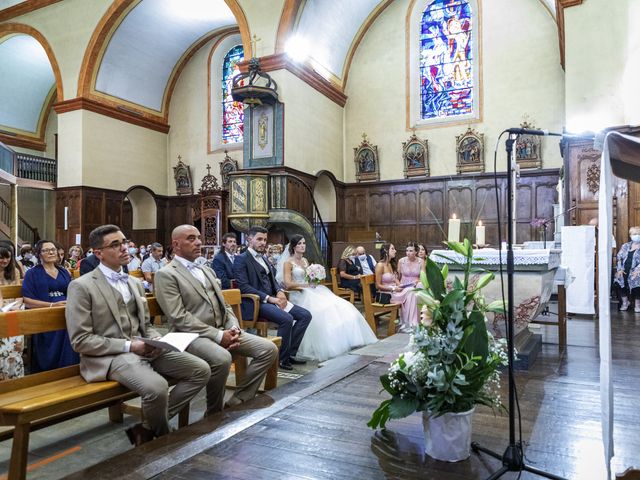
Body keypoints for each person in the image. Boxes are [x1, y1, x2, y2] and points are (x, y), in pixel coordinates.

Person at [66, 224, 210, 445]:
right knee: (157, 387)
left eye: (124, 242)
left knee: (200, 370)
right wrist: (130, 346)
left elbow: (144, 325)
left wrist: (158, 340)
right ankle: (164, 442)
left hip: (145, 348)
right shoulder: (81, 286)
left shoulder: (133, 282)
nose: (124, 248)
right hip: (111, 356)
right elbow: (81, 341)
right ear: (98, 253)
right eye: (115, 245)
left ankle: (146, 429)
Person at [155, 225, 278, 412]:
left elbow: (225, 305)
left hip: (223, 328)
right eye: (190, 238)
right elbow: (179, 317)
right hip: (191, 336)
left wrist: (234, 327)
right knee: (221, 358)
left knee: (268, 349)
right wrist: (219, 336)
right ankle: (214, 411)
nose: (198, 242)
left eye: (198, 237)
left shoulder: (206, 270)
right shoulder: (166, 274)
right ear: (176, 244)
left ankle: (237, 401)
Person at [277, 235, 376, 362]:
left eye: (304, 243)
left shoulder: (305, 261)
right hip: (299, 293)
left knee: (342, 305)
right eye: (300, 243)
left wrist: (316, 277)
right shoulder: (288, 263)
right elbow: (288, 284)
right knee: (324, 309)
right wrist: (306, 285)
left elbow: (310, 278)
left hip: (312, 289)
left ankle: (347, 340)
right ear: (294, 246)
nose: (303, 245)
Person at [233, 226, 312, 371]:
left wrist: (280, 292)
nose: (263, 242)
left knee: (305, 315)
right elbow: (244, 287)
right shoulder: (241, 259)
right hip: (256, 302)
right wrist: (269, 298)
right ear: (249, 239)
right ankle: (281, 359)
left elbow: (273, 280)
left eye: (264, 239)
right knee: (287, 318)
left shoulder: (264, 258)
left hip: (274, 299)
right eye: (259, 239)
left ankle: (290, 354)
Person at [22, 240, 79, 372]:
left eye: (53, 249)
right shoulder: (32, 273)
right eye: (46, 250)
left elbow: (72, 293)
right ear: (39, 254)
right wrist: (52, 305)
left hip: (66, 314)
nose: (51, 252)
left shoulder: (64, 272)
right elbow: (28, 300)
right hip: (44, 315)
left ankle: (68, 372)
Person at [375, 243, 419, 333]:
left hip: (394, 291)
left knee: (412, 290)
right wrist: (393, 289)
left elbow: (394, 280)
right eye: (393, 249)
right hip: (387, 294)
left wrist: (400, 285)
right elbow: (378, 285)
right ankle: (408, 323)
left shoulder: (390, 264)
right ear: (386, 252)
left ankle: (410, 323)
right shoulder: (380, 265)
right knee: (410, 291)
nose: (395, 251)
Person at [0, 243, 24, 380]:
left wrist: (18, 305)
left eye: (7, 258)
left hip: (12, 308)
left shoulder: (14, 271)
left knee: (15, 346)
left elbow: (19, 291)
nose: (4, 261)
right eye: (1, 258)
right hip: (1, 308)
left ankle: (14, 377)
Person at [614, 226, 640, 312]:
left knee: (637, 281)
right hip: (624, 269)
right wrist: (620, 269)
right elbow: (619, 258)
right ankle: (625, 302)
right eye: (635, 234)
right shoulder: (625, 246)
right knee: (618, 279)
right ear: (630, 235)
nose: (637, 235)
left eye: (639, 234)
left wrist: (637, 271)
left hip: (636, 270)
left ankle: (637, 305)